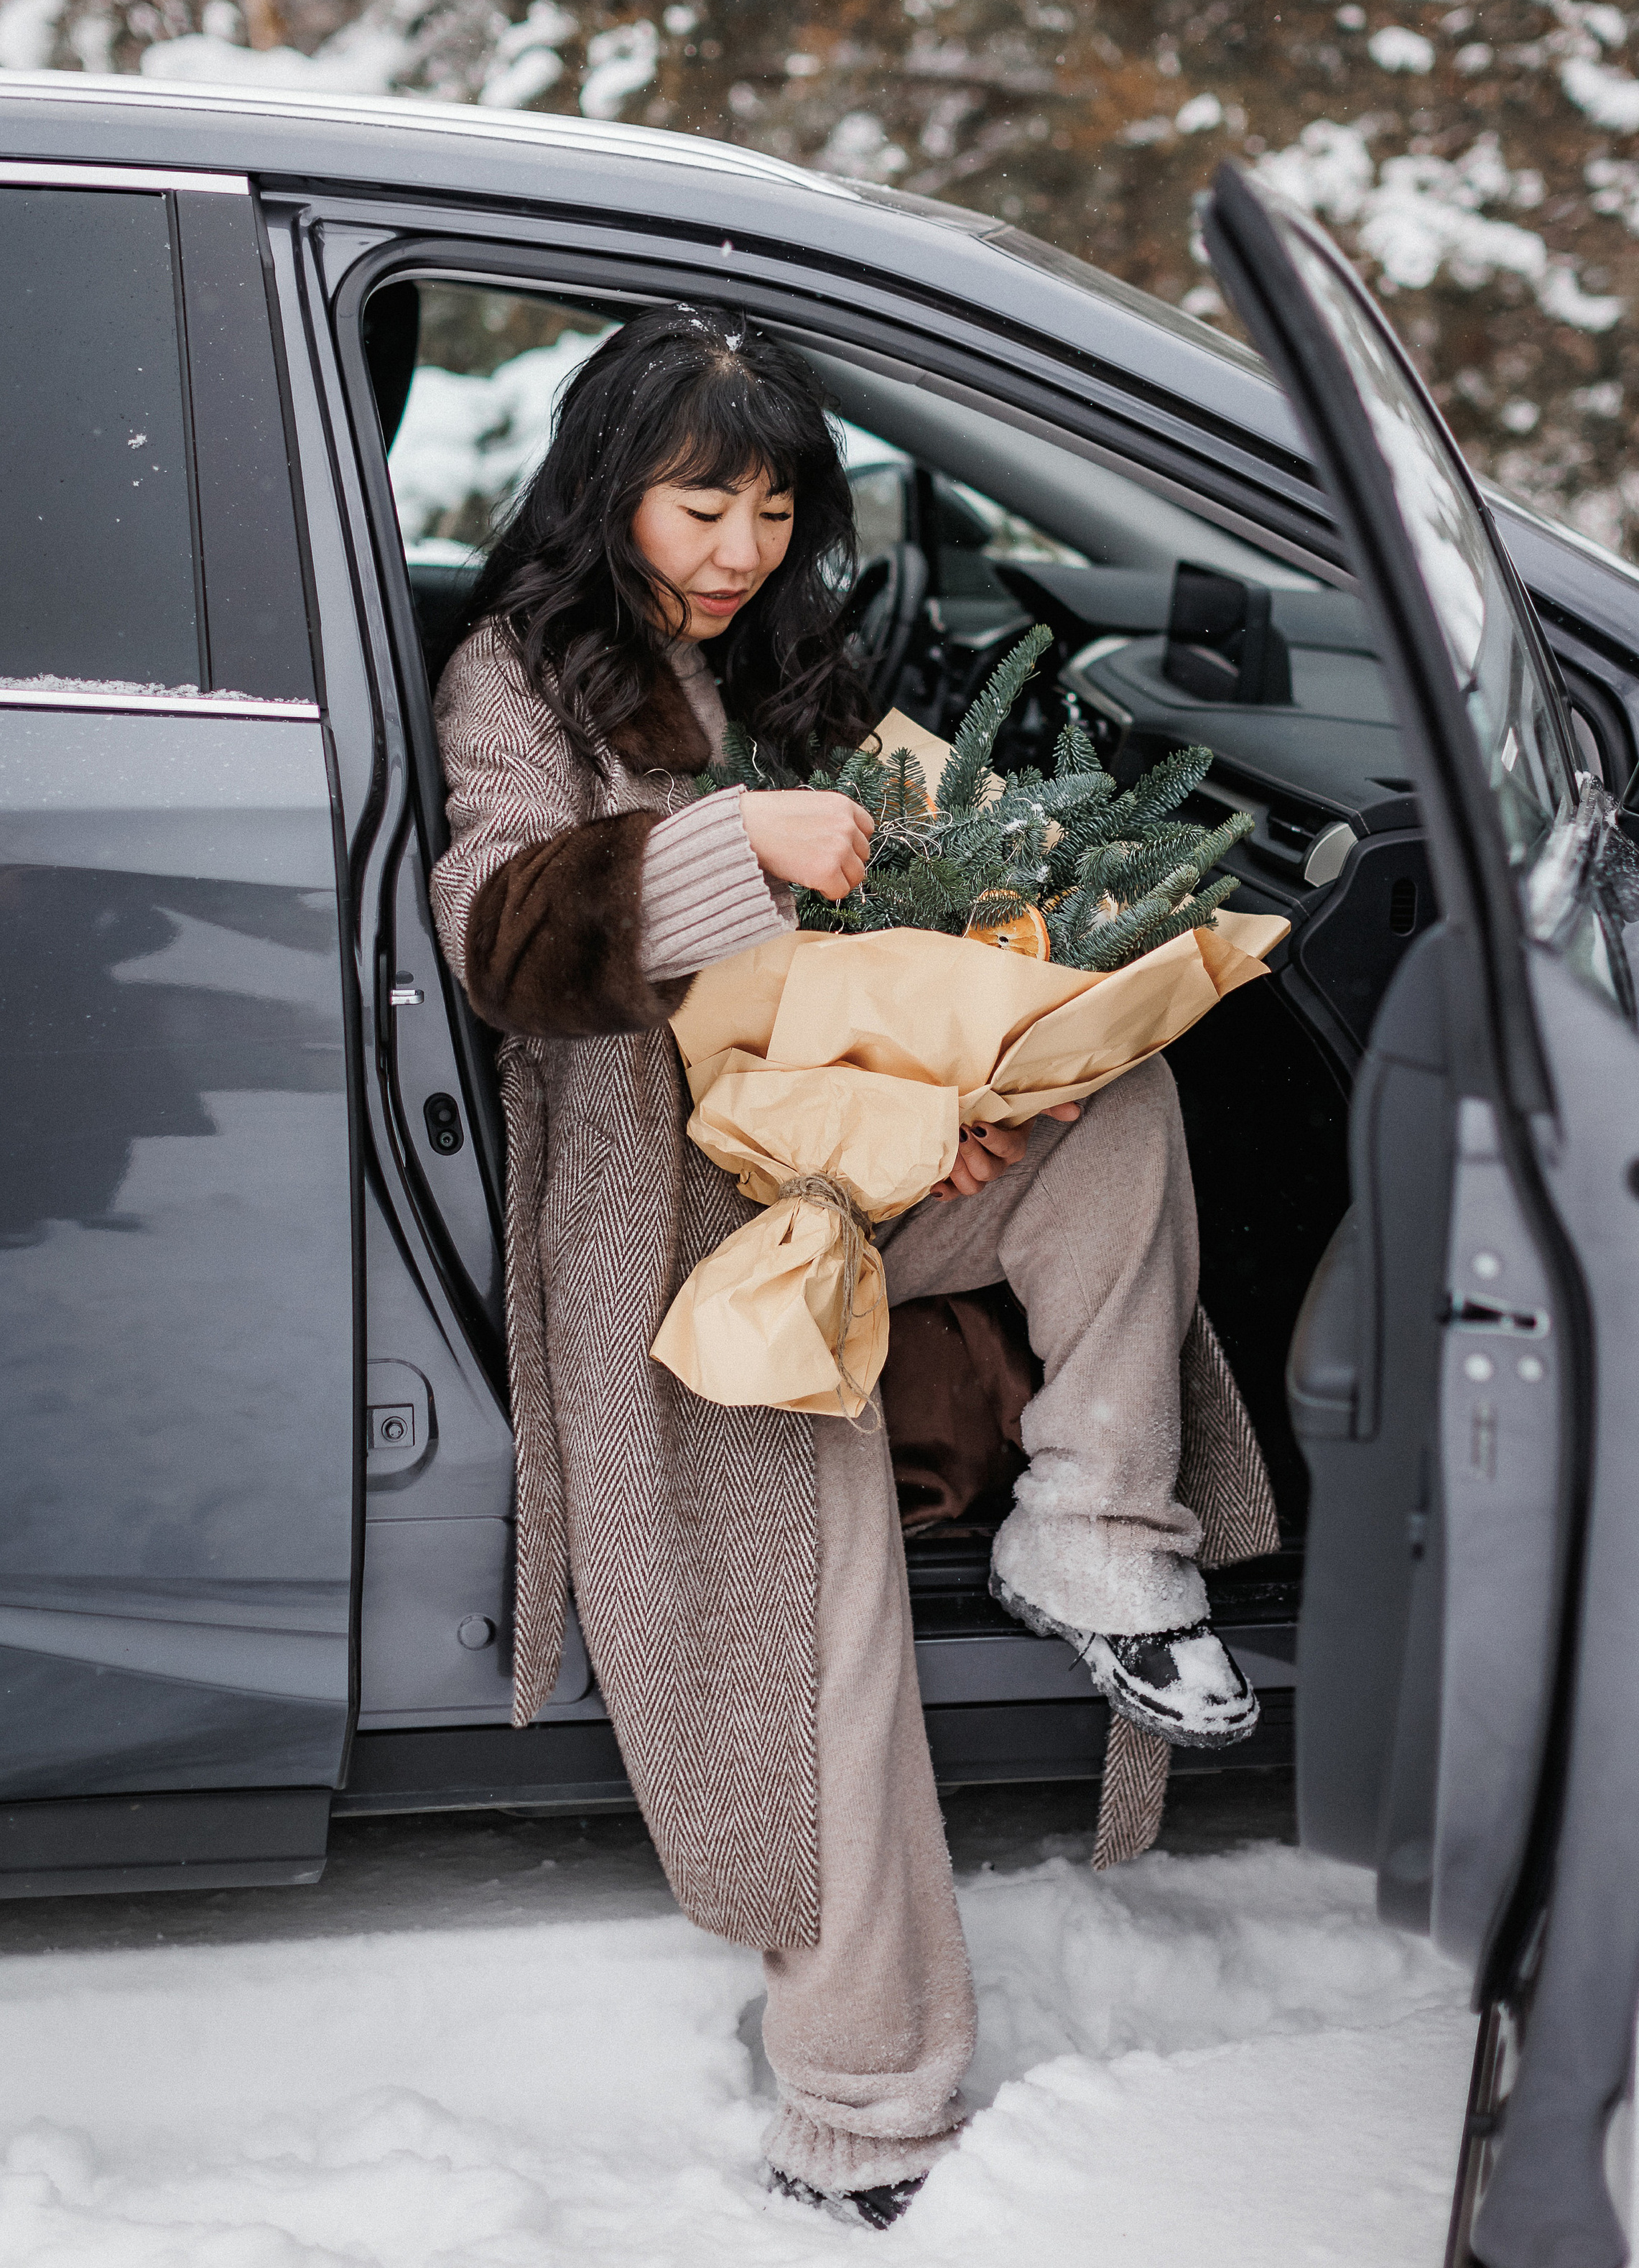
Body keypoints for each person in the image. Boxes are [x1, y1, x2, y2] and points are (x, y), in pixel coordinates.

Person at [429, 303, 1275, 2228]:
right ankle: (865, 2117)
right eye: (698, 501)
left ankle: (1101, 1524)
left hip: (837, 1141)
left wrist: (945, 1096)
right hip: (662, 1210)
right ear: (609, 491)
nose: (738, 549)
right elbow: (496, 927)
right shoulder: (521, 677)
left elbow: (885, 921)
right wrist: (729, 844)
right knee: (819, 1639)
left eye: (771, 507)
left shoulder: (785, 656)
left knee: (1111, 1118)